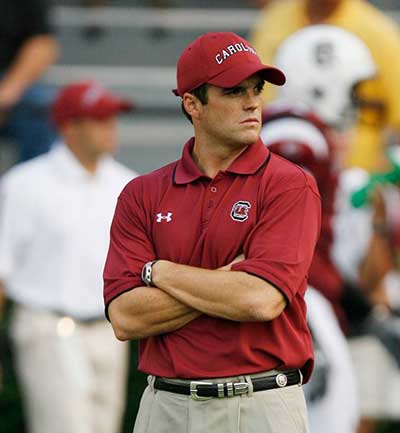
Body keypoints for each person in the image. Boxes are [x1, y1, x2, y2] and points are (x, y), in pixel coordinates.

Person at [103, 31, 321, 433]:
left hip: (261, 405)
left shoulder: (290, 184)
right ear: (192, 104)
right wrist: (226, 280)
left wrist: (160, 272)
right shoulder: (140, 193)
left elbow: (259, 300)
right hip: (165, 405)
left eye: (256, 89)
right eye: (234, 91)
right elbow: (125, 317)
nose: (253, 101)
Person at [259, 24, 400, 433]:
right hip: (290, 297)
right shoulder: (296, 138)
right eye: (353, 90)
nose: (359, 104)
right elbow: (289, 247)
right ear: (323, 82)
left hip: (297, 293)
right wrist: (352, 300)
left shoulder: (303, 135)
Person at [0, 80, 137, 433]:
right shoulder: (25, 184)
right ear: (68, 127)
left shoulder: (127, 184)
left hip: (109, 330)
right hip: (48, 325)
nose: (111, 127)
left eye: (111, 118)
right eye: (99, 119)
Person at [249, 0, 400, 172]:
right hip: (280, 170)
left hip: (359, 180)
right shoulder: (274, 19)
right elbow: (256, 97)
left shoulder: (380, 32)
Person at [0, 0, 60, 164]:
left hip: (10, 82)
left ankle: (32, 185)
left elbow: (43, 44)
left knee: (39, 109)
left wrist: (6, 95)